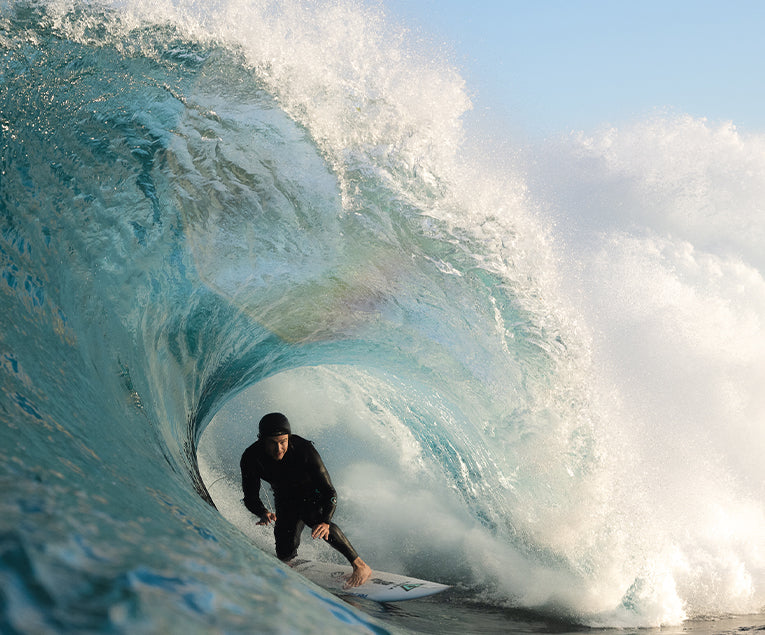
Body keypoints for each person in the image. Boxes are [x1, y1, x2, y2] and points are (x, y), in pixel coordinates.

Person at [240, 412, 372, 588]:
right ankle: (290, 567)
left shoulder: (304, 449)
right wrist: (263, 512)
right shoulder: (251, 457)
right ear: (262, 440)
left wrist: (325, 521)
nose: (279, 448)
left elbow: (329, 491)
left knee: (314, 518)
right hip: (284, 498)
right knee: (283, 552)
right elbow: (250, 497)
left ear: (289, 438)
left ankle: (360, 565)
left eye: (283, 442)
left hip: (312, 495)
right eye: (272, 443)